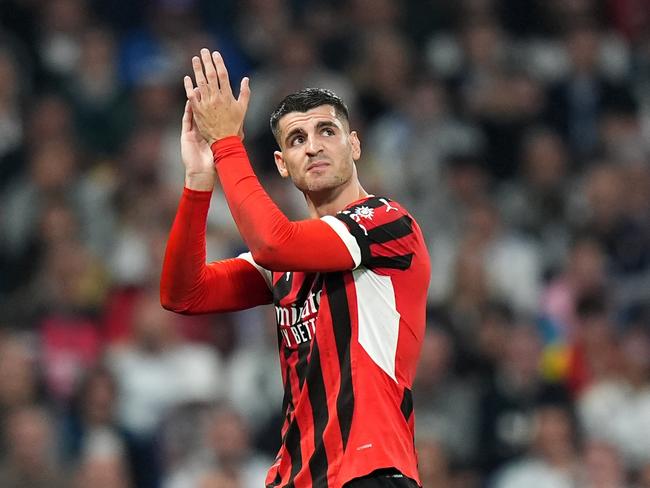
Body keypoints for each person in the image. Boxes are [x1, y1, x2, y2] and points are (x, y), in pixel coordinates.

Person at [160, 48, 430, 488]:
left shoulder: (386, 223)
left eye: (327, 131)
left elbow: (271, 242)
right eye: (297, 139)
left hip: (368, 472)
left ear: (355, 144)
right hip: (295, 478)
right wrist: (198, 179)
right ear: (282, 165)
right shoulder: (287, 264)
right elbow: (183, 294)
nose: (315, 146)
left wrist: (228, 143)